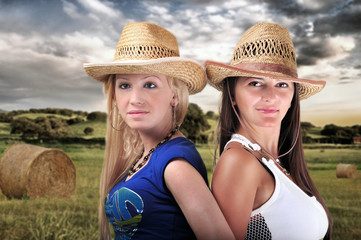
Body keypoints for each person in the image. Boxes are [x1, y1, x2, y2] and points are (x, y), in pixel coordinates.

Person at [83, 22, 234, 240]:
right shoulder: (148, 154)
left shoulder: (175, 166)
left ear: (174, 95)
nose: (134, 99)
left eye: (150, 85)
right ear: (114, 95)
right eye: (125, 85)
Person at [205, 22, 332, 239]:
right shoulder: (239, 161)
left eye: (282, 84)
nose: (270, 96)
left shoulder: (274, 161)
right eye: (255, 83)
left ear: (293, 97)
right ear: (233, 95)